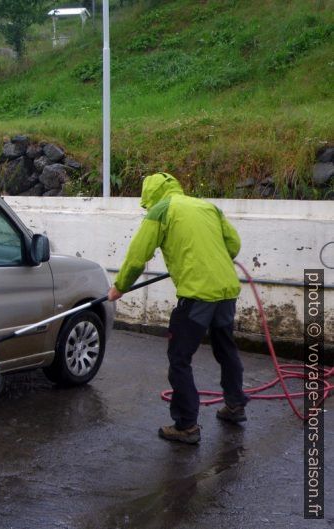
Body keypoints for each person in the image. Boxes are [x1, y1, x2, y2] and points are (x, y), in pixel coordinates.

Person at [107, 172, 248, 444]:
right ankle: (235, 405)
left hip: (197, 295)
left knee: (179, 357)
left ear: (151, 195)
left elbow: (138, 255)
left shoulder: (161, 209)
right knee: (225, 348)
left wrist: (120, 287)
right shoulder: (208, 206)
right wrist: (210, 259)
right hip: (227, 291)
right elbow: (234, 244)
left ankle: (186, 425)